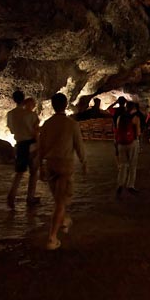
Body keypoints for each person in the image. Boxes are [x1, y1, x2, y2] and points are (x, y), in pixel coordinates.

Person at [38, 93, 87, 251]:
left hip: (50, 164)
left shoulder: (47, 124)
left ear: (52, 105)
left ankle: (64, 220)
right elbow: (79, 145)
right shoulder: (71, 124)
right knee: (61, 201)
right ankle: (52, 238)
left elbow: (41, 147)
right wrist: (84, 162)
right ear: (65, 105)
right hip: (65, 164)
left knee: (58, 199)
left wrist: (39, 167)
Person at [6, 91, 40, 209]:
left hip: (20, 145)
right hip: (31, 144)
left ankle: (11, 195)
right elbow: (35, 131)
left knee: (19, 172)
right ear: (24, 99)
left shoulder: (10, 114)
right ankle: (30, 197)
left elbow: (11, 130)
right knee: (34, 172)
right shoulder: (31, 115)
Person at [115, 101, 141, 198]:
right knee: (132, 165)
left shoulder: (119, 118)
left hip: (121, 144)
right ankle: (130, 185)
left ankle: (120, 185)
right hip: (132, 143)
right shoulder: (135, 118)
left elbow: (117, 130)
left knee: (123, 165)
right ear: (133, 109)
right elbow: (138, 133)